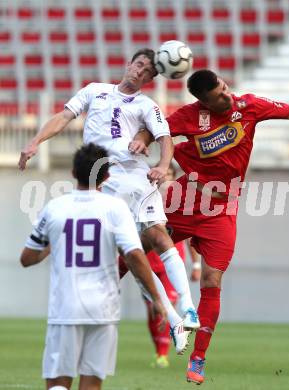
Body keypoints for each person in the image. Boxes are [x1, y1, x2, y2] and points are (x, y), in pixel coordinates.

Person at [131, 69, 289, 384]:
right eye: (218, 96)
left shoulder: (249, 106)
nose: (227, 96)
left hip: (221, 212)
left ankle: (198, 358)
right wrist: (141, 139)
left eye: (225, 88)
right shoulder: (189, 116)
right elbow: (155, 129)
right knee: (135, 245)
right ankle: (107, 281)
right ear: (203, 101)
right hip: (184, 200)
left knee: (213, 280)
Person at [18, 48, 200, 338]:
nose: (140, 71)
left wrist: (163, 166)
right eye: (139, 64)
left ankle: (188, 308)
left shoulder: (146, 105)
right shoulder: (95, 91)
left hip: (136, 178)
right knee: (130, 255)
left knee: (157, 236)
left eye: (148, 72)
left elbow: (165, 138)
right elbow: (64, 116)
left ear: (150, 79)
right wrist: (35, 141)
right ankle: (174, 318)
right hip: (102, 182)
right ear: (129, 63)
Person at [20, 143, 167, 390]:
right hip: (103, 309)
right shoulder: (115, 207)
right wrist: (157, 299)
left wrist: (53, 245)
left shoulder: (54, 208)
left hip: (65, 307)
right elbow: (135, 256)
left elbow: (27, 258)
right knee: (91, 384)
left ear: (73, 173)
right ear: (107, 177)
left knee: (57, 383)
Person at [143, 164, 201, 368]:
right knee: (153, 310)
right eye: (161, 174)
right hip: (146, 261)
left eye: (168, 174)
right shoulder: (145, 198)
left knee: (165, 305)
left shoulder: (178, 201)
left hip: (169, 263)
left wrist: (196, 264)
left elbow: (188, 234)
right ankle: (161, 349)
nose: (163, 177)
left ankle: (163, 353)